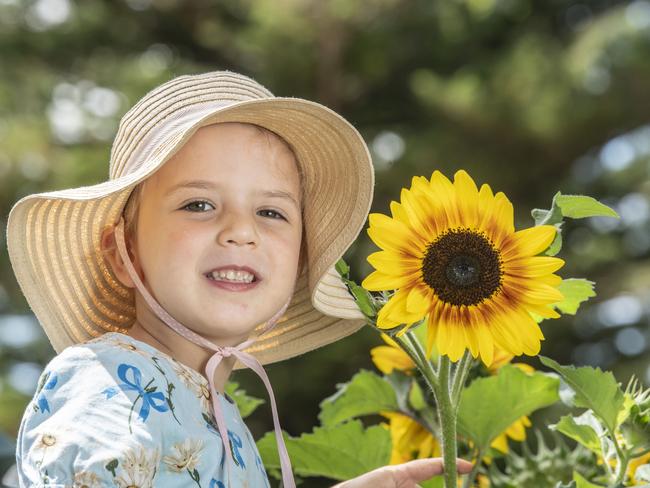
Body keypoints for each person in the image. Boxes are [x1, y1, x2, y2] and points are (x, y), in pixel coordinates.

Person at [7, 71, 472, 487]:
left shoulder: (216, 411)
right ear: (123, 254)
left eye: (271, 212)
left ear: (298, 264)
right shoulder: (104, 380)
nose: (242, 232)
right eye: (199, 205)